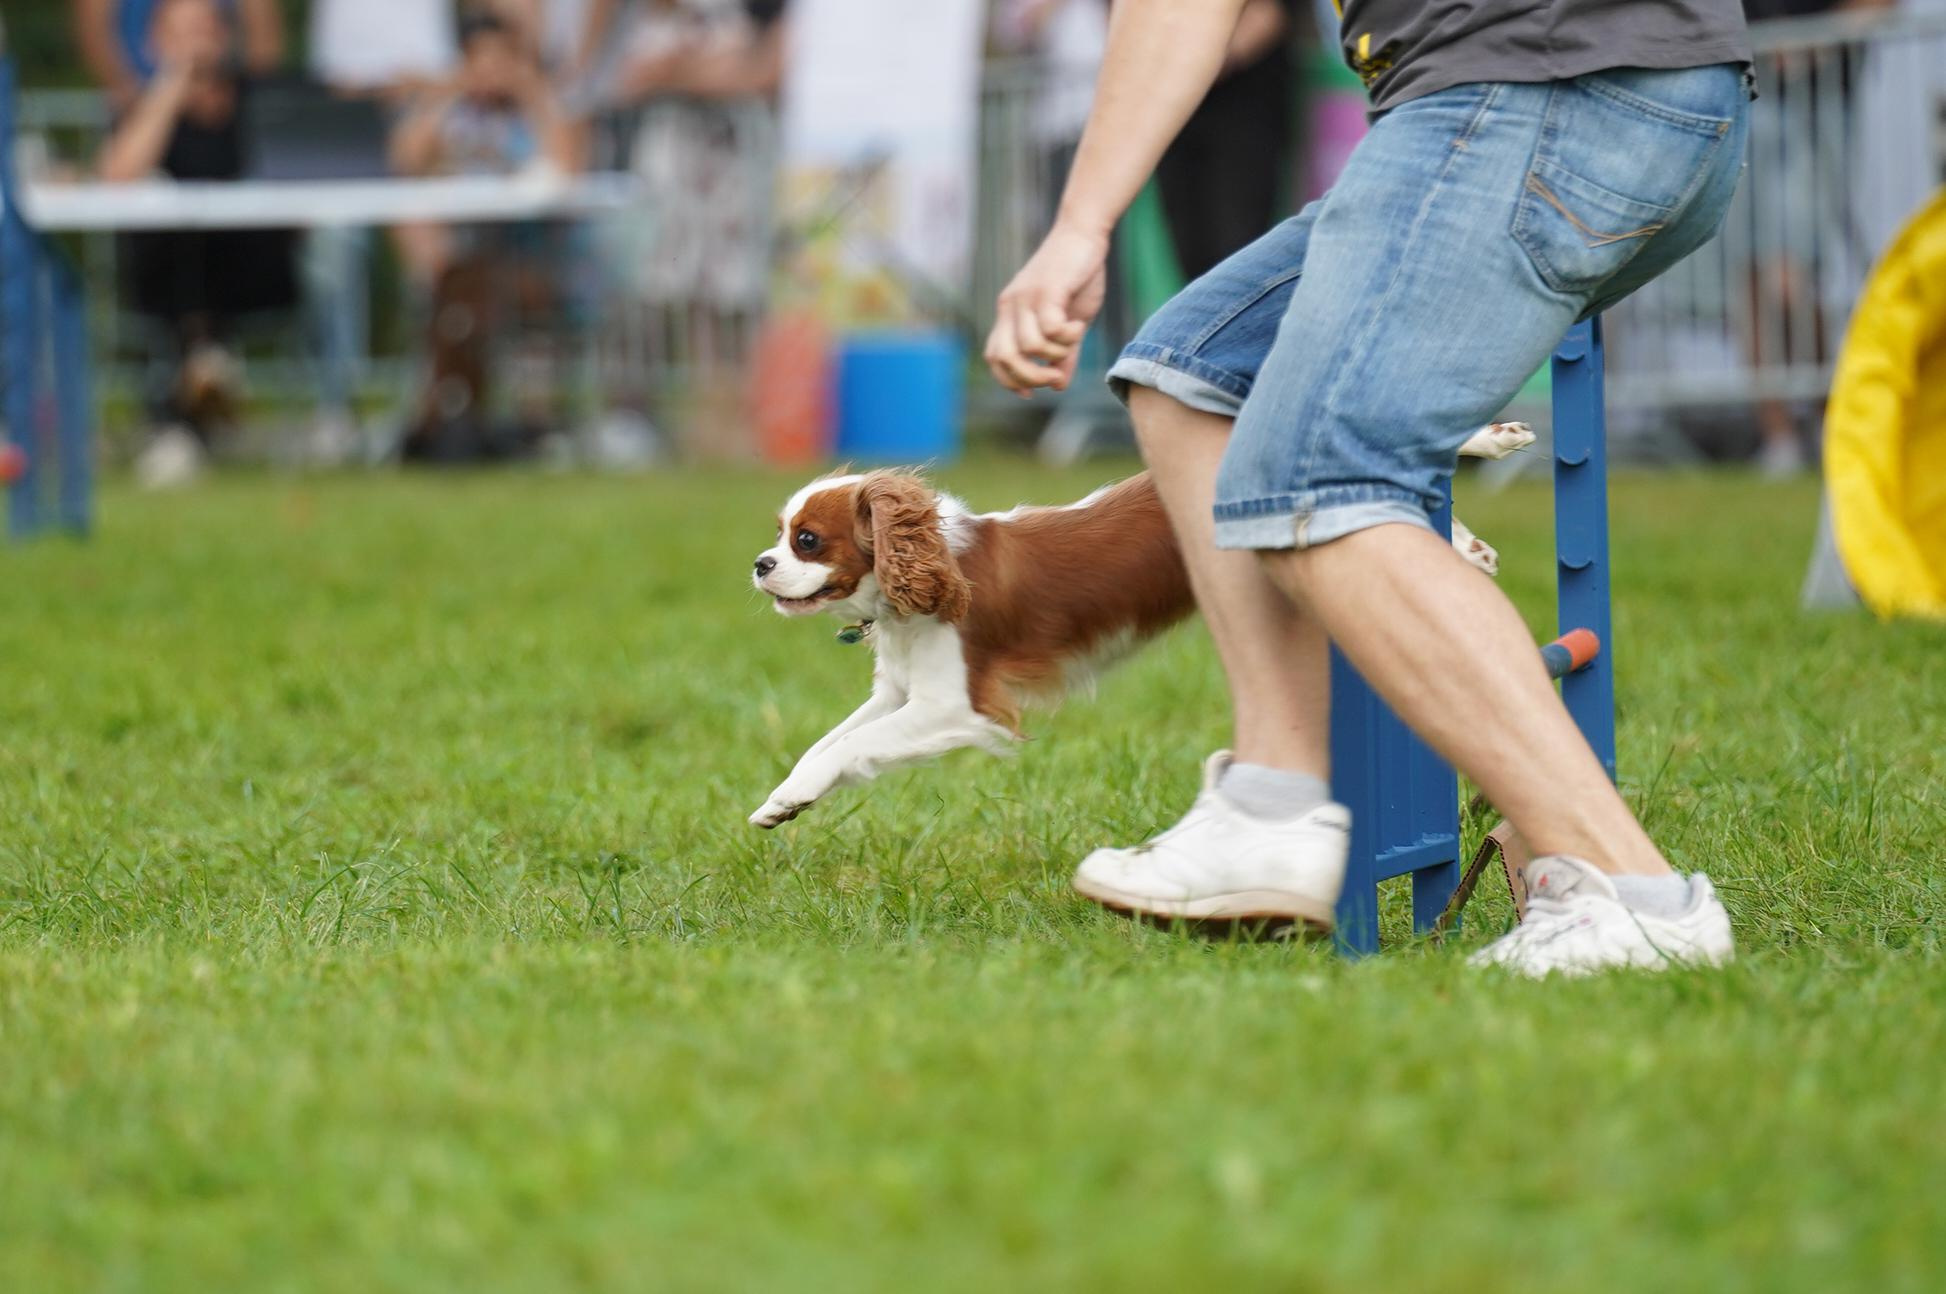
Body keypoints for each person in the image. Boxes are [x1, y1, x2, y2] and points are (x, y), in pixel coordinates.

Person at [986, 0, 1755, 976]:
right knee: (1194, 375)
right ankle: (1271, 804)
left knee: (1321, 476)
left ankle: (1631, 893)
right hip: (1628, 91)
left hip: (1537, 90)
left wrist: (1076, 226)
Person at [97, 0, 297, 487]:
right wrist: (170, 87)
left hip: (253, 268)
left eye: (203, 29)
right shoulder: (140, 105)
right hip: (171, 276)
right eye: (180, 32)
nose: (194, 44)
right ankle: (205, 376)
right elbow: (116, 176)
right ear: (154, 43)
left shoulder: (259, 100)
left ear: (225, 38)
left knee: (208, 231)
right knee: (176, 225)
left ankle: (185, 410)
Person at [389, 9, 590, 460]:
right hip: (463, 265)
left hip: (531, 261)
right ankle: (457, 424)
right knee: (458, 292)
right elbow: (405, 158)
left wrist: (530, 88)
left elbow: (569, 166)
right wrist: (448, 91)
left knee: (468, 299)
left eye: (501, 59)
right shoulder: (455, 115)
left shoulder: (537, 113)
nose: (490, 71)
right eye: (479, 60)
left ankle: (445, 421)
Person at [73, 0, 282, 111]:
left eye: (205, 28)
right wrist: (137, 100)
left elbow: (265, 47)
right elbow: (93, 34)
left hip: (225, 113)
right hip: (140, 106)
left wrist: (230, 95)